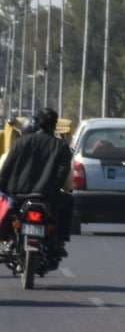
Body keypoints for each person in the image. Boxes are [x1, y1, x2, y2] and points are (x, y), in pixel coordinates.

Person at [0, 108, 74, 258]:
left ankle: (7, 239)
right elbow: (63, 174)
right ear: (54, 125)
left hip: (18, 194)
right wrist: (55, 189)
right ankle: (60, 241)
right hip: (47, 196)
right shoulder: (61, 146)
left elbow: (7, 167)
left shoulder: (21, 142)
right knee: (68, 201)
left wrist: (3, 186)